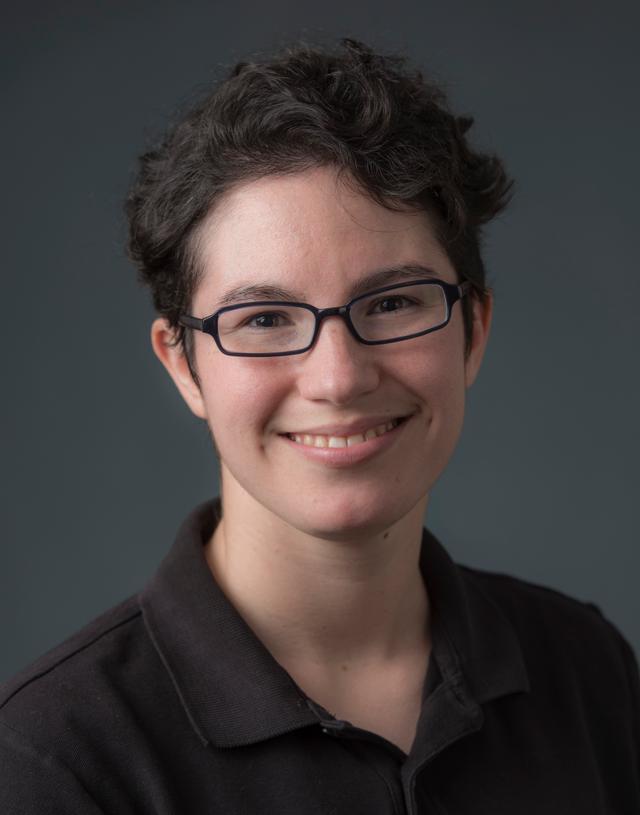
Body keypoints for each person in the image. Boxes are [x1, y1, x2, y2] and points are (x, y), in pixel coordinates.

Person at [1, 37, 638, 814]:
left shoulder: (588, 673)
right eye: (264, 316)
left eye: (394, 303)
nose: (338, 377)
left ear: (472, 330)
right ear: (181, 363)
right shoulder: (53, 759)